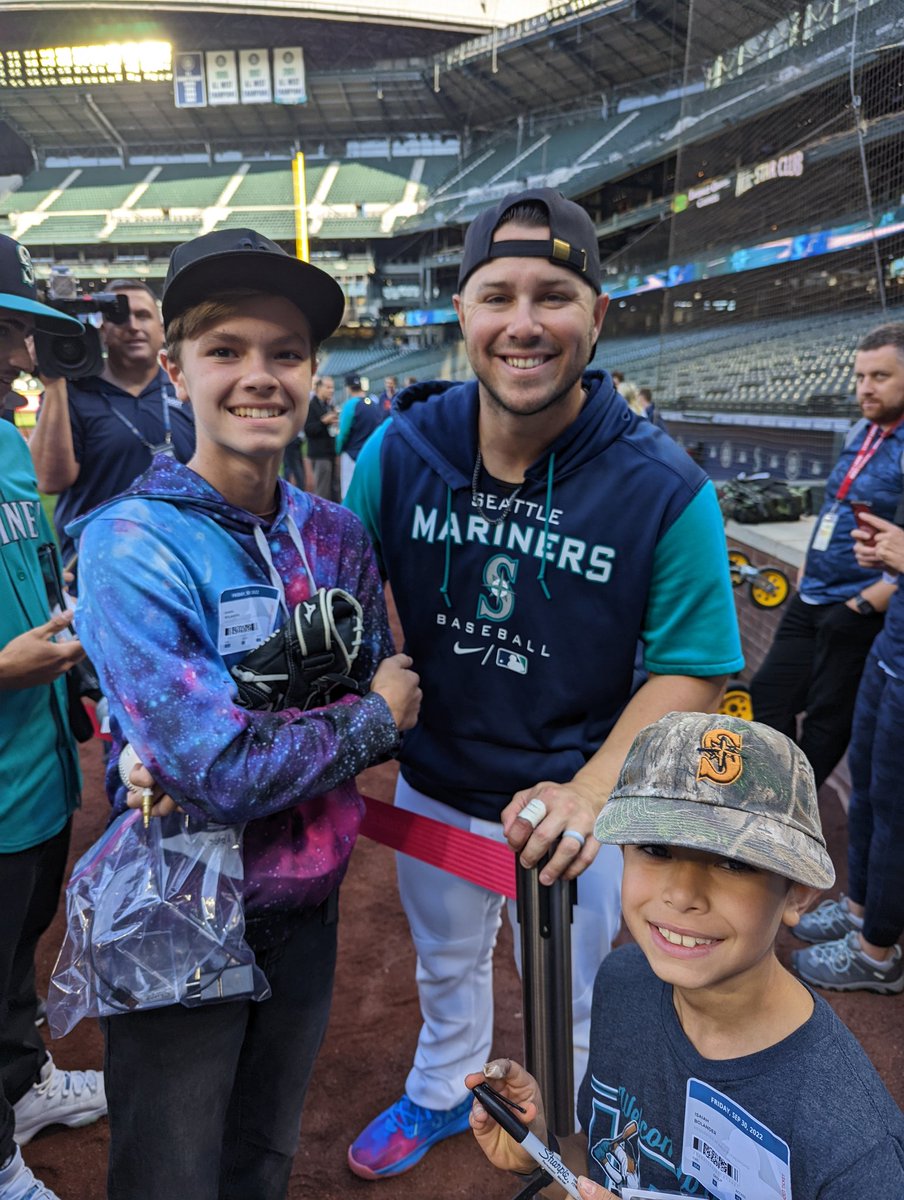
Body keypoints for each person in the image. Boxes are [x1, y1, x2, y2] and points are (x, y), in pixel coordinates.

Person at [345, 187, 743, 1179]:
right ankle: (442, 1090)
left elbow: (697, 662)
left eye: (554, 295)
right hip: (438, 781)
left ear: (596, 315)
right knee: (446, 967)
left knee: (572, 996)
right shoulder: (399, 448)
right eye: (497, 295)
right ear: (464, 318)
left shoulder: (664, 485)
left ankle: (564, 1133)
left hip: (573, 797)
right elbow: (340, 585)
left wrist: (592, 790)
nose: (523, 323)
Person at [67, 228, 421, 1200]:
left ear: (313, 373)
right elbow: (216, 767)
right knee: (169, 1177)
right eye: (226, 350)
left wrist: (202, 740)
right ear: (175, 371)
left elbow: (262, 728)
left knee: (262, 1157)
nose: (258, 376)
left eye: (285, 352)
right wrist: (367, 724)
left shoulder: (339, 534)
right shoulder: (130, 541)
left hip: (305, 905)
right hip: (179, 901)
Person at [467, 712, 904, 1199]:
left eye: (733, 862)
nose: (683, 893)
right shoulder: (625, 979)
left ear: (797, 894)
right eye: (656, 848)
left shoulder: (853, 1148)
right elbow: (599, 1165)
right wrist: (540, 1156)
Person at [0, 233, 107, 1200]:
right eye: (2, 333)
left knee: (18, 955)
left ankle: (21, 1086)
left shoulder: (4, 434)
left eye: (24, 334)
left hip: (36, 770)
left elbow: (31, 569)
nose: (20, 356)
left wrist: (65, 668)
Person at [749, 323, 904, 788]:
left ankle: (797, 816)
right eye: (859, 377)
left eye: (879, 376)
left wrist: (869, 600)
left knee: (826, 717)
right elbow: (839, 503)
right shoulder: (863, 428)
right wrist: (811, 559)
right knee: (768, 692)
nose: (865, 388)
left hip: (856, 604)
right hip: (813, 590)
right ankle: (774, 796)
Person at [792, 507, 904, 993]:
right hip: (893, 646)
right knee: (868, 791)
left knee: (897, 813)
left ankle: (876, 954)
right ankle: (859, 912)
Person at [28, 278, 195, 568]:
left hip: (181, 560)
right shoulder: (72, 392)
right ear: (102, 330)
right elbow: (49, 481)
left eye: (143, 315)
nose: (132, 326)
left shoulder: (187, 387)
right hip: (98, 565)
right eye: (119, 316)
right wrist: (55, 386)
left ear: (161, 329)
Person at [336, 373, 383, 499]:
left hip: (352, 455)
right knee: (367, 493)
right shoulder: (372, 403)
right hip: (369, 454)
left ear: (348, 387)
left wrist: (337, 449)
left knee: (348, 492)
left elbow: (343, 432)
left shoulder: (351, 405)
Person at [304, 374, 339, 500]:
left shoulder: (328, 405)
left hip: (330, 452)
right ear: (318, 388)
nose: (332, 390)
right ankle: (321, 519)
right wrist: (323, 421)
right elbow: (308, 430)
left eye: (333, 387)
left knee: (334, 490)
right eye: (328, 387)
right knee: (323, 492)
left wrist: (334, 423)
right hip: (319, 455)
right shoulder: (311, 405)